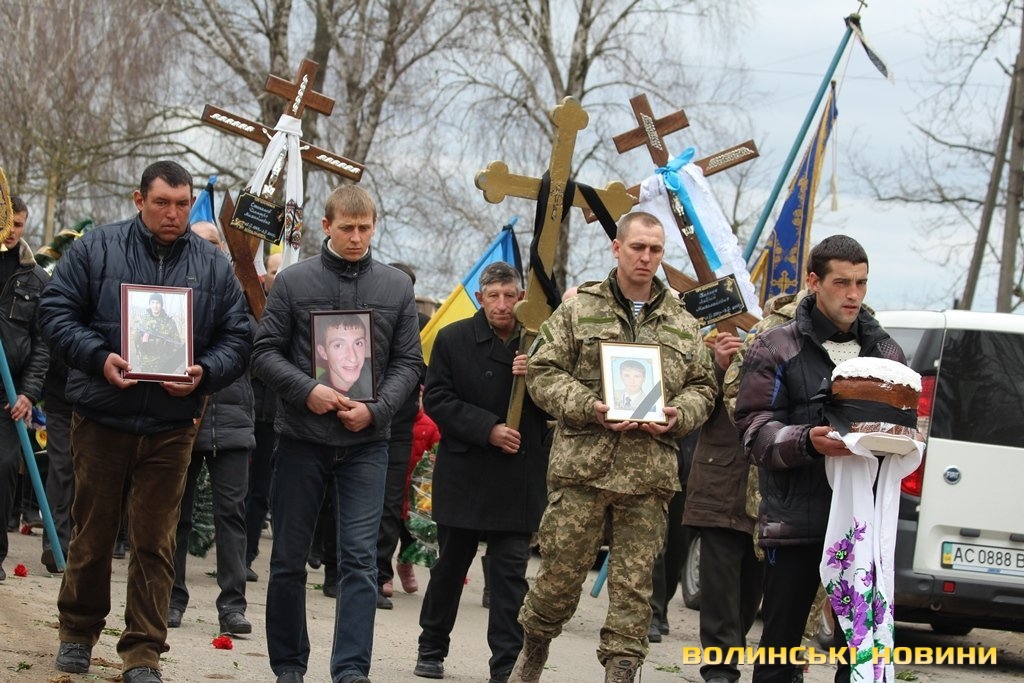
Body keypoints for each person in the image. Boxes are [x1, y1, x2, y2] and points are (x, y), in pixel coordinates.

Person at [38, 161, 252, 683]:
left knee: (156, 542)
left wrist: (204, 373)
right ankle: (77, 632)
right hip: (101, 417)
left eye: (181, 204)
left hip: (171, 426)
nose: (173, 213)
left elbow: (239, 337)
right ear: (140, 200)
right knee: (92, 533)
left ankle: (143, 652)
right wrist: (98, 357)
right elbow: (55, 312)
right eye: (162, 203)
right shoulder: (96, 249)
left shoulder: (212, 264)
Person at [509, 211, 717, 683]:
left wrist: (679, 414)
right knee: (557, 579)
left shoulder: (683, 322)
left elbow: (704, 387)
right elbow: (542, 372)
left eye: (655, 249)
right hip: (582, 472)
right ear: (617, 248)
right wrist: (588, 405)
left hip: (647, 477)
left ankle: (621, 671)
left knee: (634, 591)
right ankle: (533, 652)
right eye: (638, 247)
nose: (646, 257)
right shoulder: (579, 310)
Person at [251, 185, 422, 683]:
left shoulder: (395, 287)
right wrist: (308, 390)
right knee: (288, 559)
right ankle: (288, 665)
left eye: (364, 228)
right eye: (346, 228)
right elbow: (263, 353)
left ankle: (350, 670)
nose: (356, 238)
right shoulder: (294, 281)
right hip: (302, 438)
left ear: (374, 226)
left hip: (366, 444)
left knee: (360, 562)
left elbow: (409, 362)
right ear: (326, 226)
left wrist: (377, 410)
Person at [733, 234, 906, 683]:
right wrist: (807, 441)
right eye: (841, 282)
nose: (853, 295)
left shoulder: (887, 353)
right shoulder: (775, 346)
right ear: (813, 281)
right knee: (779, 652)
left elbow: (904, 426)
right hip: (796, 522)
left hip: (863, 526)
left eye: (861, 283)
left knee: (861, 654)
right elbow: (752, 429)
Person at [412, 261, 549, 683]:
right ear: (480, 298)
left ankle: (506, 663)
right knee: (451, 567)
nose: (503, 305)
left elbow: (559, 402)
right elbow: (437, 398)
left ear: (521, 297)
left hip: (518, 476)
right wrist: (487, 429)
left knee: (509, 576)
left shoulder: (539, 343)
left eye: (510, 296)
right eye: (494, 296)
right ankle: (431, 647)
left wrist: (536, 378)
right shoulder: (453, 339)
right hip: (466, 471)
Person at [167, 221, 254, 636]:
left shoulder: (240, 294)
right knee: (175, 514)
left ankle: (233, 606)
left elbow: (254, 345)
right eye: (199, 242)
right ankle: (171, 598)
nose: (208, 250)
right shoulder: (172, 291)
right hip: (181, 418)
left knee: (231, 517)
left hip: (232, 425)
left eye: (214, 243)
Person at [682, 330, 763, 683]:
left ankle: (731, 652)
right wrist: (719, 366)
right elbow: (695, 407)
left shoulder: (790, 347)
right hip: (719, 484)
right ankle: (720, 668)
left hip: (766, 493)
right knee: (718, 587)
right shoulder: (719, 351)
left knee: (750, 590)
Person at [0, 195, 50, 582]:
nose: (12, 231)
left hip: (9, 395)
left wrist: (28, 394)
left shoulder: (36, 279)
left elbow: (42, 344)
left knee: (3, 468)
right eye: (7, 222)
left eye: (19, 224)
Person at [375, 261, 429, 606]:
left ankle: (380, 573)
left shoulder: (423, 326)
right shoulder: (369, 314)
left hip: (401, 426)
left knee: (391, 503)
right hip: (363, 418)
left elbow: (428, 374)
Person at [245, 251, 283, 582]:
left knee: (260, 489)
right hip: (246, 409)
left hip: (276, 416)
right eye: (274, 271)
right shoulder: (250, 307)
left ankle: (246, 553)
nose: (279, 277)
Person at [315, 314, 372, 396]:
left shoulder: (379, 374)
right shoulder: (316, 393)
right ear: (323, 352)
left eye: (358, 343)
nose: (353, 358)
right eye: (338, 345)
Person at [133, 292, 183, 374]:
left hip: (163, 364)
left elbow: (177, 343)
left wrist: (169, 361)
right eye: (152, 302)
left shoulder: (169, 322)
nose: (155, 306)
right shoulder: (143, 320)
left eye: (158, 303)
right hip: (146, 364)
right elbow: (136, 340)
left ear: (161, 305)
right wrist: (140, 356)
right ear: (150, 304)